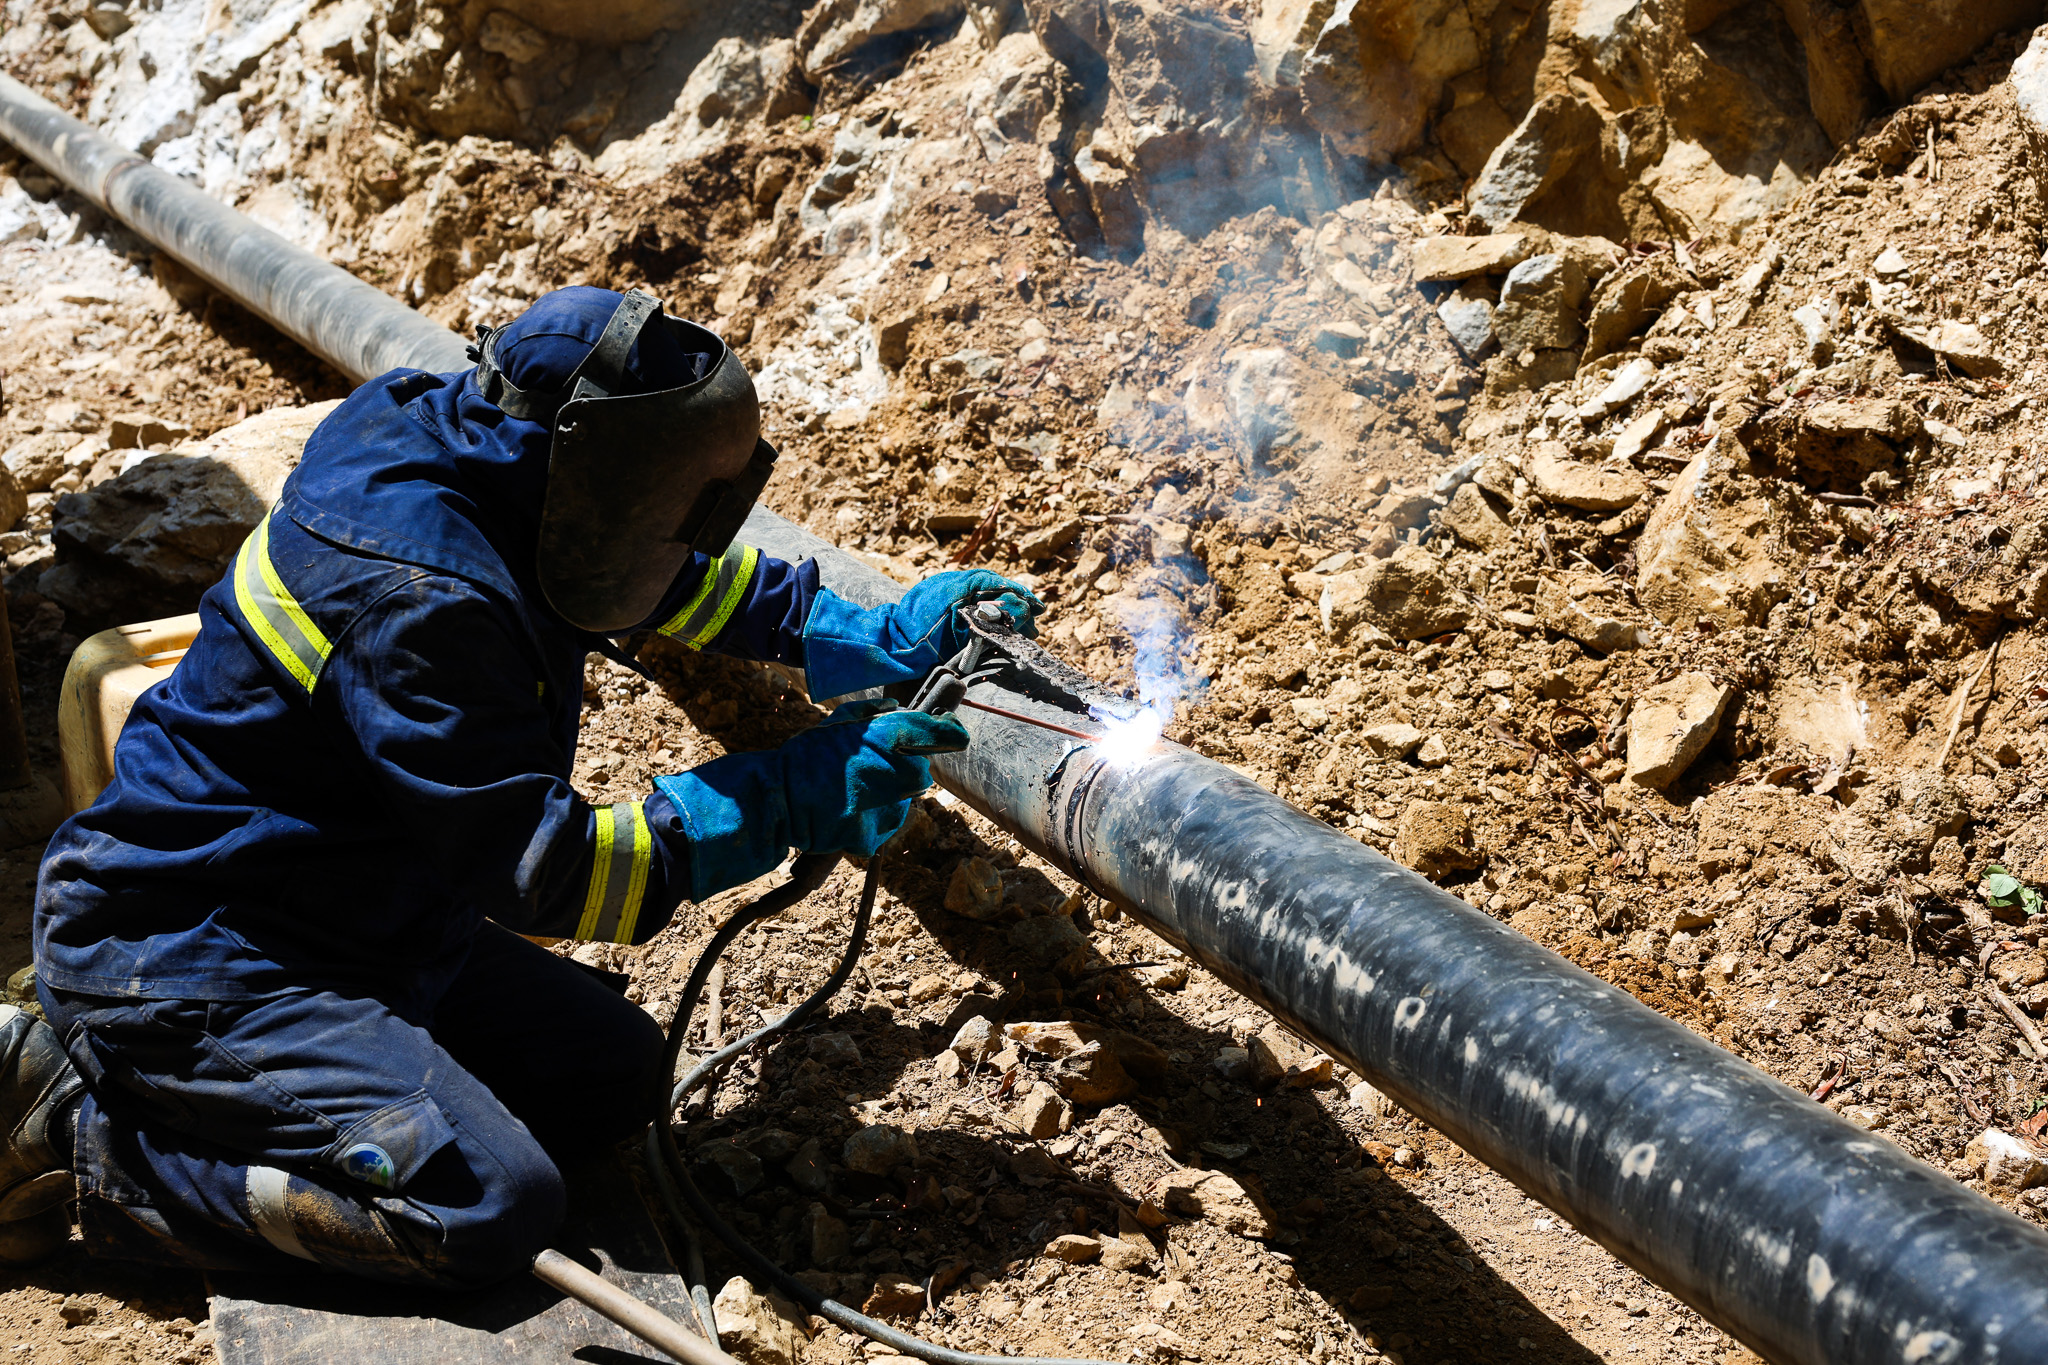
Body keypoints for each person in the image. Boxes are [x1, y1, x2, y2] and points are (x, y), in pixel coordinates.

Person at [0, 286, 1041, 1285]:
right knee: (483, 1208)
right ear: (587, 471)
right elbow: (551, 874)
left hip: (356, 914)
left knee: (611, 1077)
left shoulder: (469, 448)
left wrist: (857, 631)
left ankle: (228, 1090)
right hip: (194, 952)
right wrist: (781, 798)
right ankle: (72, 1133)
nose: (681, 537)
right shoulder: (423, 603)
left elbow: (648, 571)